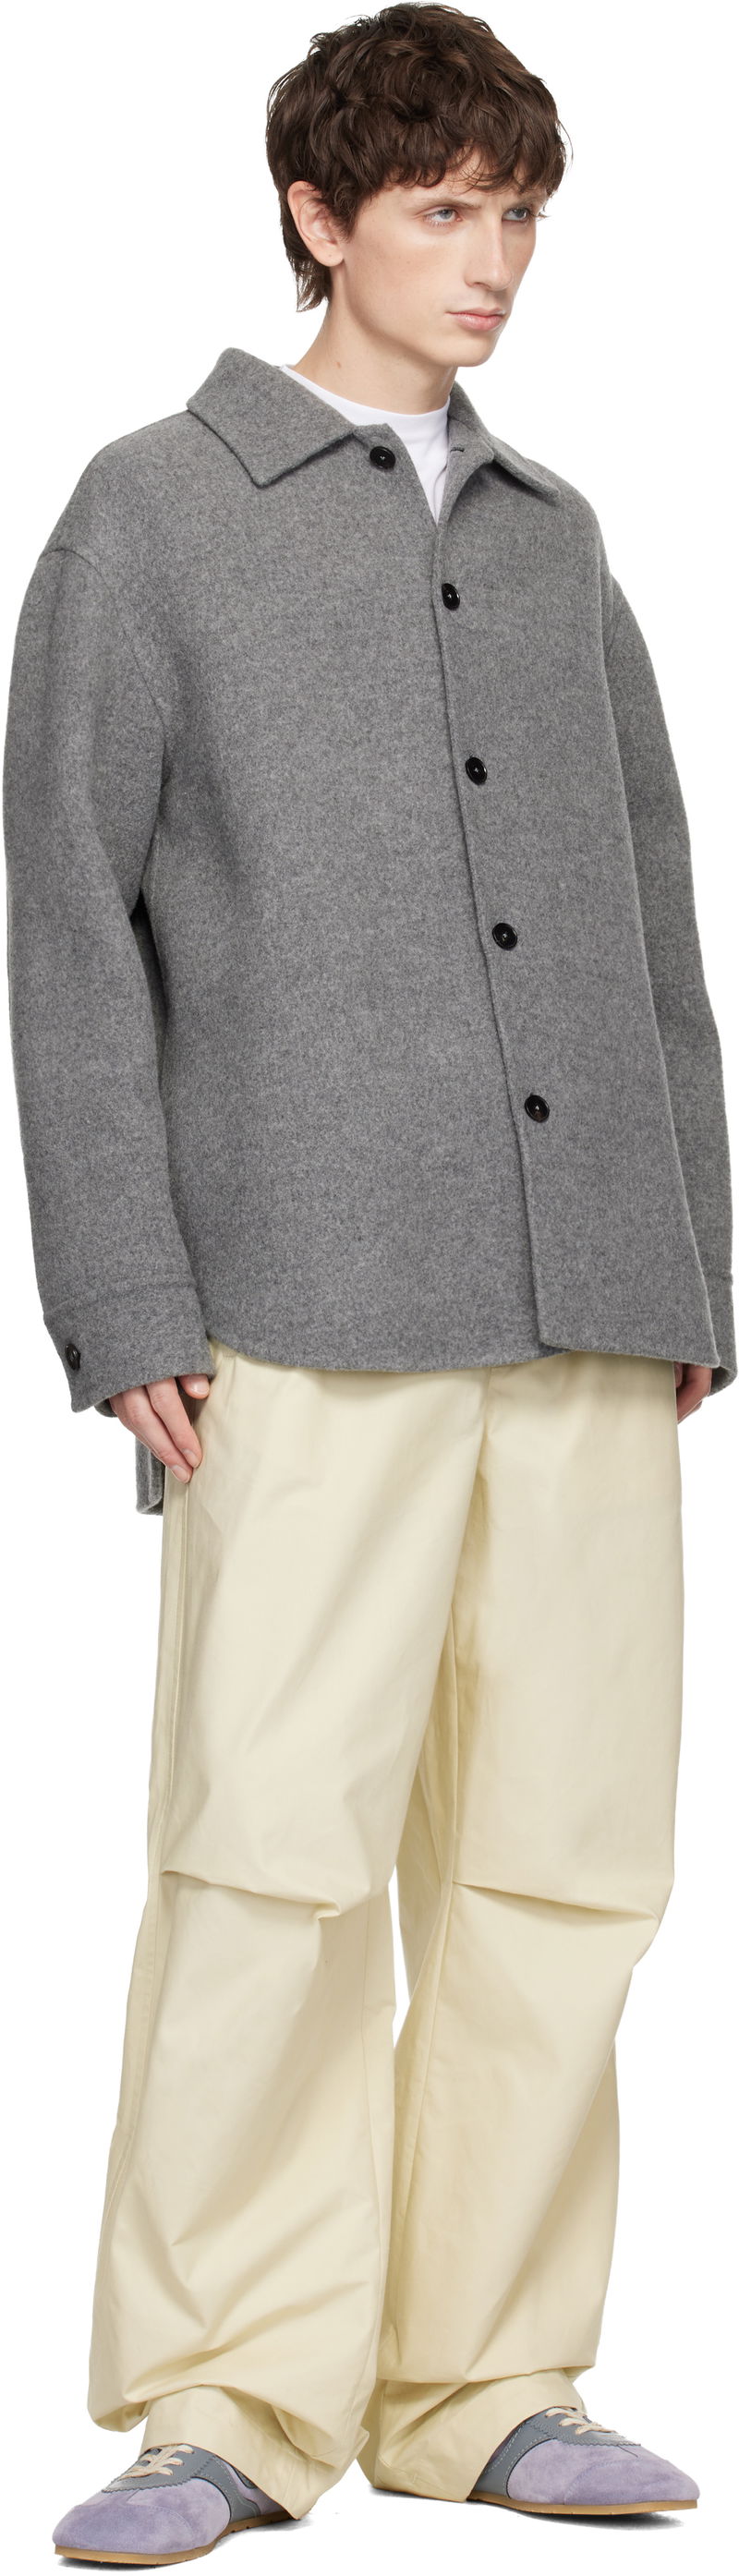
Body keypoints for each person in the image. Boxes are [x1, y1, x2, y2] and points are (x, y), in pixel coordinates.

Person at [4, 5, 734, 2557]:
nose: (491, 259)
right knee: (267, 1866)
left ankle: (489, 2380)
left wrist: (694, 1256)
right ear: (320, 216)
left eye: (517, 214)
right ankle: (225, 2396)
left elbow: (655, 921)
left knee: (561, 1866)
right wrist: (122, 1299)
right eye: (442, 210)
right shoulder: (152, 516)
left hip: (585, 1306)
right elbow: (70, 938)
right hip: (293, 1305)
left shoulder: (556, 536)